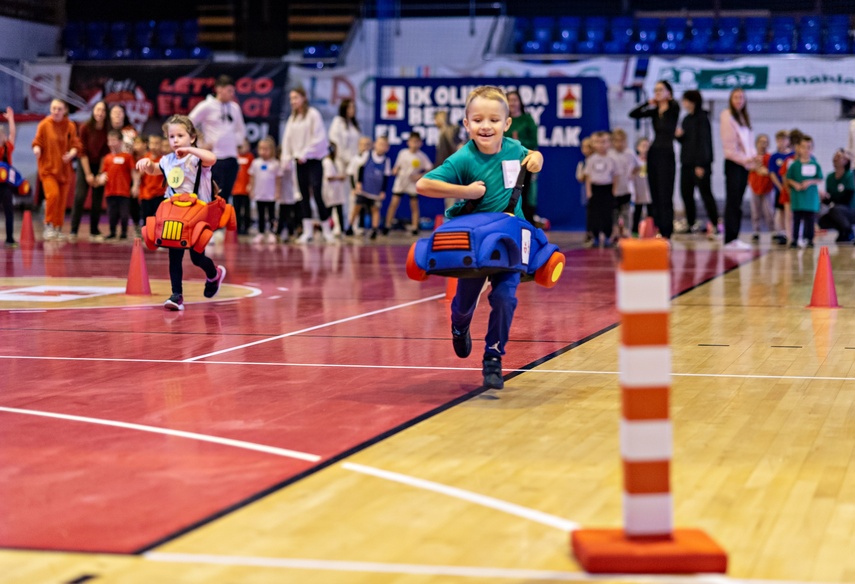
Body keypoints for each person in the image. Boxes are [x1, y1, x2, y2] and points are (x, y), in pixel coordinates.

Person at [416, 85, 543, 390]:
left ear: (507, 123)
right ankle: (459, 327)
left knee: (504, 297)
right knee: (463, 304)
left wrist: (536, 158)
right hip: (473, 246)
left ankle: (493, 356)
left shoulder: (514, 148)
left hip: (509, 242)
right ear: (467, 124)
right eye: (478, 120)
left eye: (494, 120)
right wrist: (466, 192)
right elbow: (423, 184)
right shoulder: (463, 158)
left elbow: (532, 155)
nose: (486, 126)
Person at [135, 115, 226, 311]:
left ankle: (214, 274)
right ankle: (176, 295)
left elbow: (212, 158)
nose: (175, 140)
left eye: (180, 136)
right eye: (171, 136)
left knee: (196, 257)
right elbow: (154, 170)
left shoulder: (197, 158)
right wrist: (147, 164)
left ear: (192, 137)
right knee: (174, 253)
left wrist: (190, 150)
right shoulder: (167, 160)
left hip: (198, 214)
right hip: (175, 214)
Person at [281, 87, 332, 243]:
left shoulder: (313, 115)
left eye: (295, 97)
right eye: (291, 99)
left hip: (314, 160)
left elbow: (319, 138)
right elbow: (287, 140)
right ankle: (307, 231)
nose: (293, 101)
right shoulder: (293, 118)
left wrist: (306, 153)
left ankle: (326, 230)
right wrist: (286, 158)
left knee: (317, 192)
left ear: (303, 97)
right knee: (302, 195)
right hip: (299, 162)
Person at [629, 80, 679, 239]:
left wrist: (665, 100)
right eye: (655, 90)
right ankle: (658, 228)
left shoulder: (673, 108)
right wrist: (646, 103)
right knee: (655, 194)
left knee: (666, 194)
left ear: (669, 93)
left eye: (660, 90)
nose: (657, 92)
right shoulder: (654, 110)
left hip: (667, 154)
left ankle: (667, 231)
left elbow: (674, 106)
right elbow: (633, 114)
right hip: (654, 153)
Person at [189, 75, 247, 204]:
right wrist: (199, 143)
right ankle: (210, 223)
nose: (232, 94)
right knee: (211, 194)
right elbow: (188, 123)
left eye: (233, 91)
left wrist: (239, 142)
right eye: (229, 91)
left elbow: (240, 129)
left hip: (232, 157)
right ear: (219, 89)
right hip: (214, 158)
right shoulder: (206, 106)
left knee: (225, 196)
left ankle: (220, 223)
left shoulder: (234, 108)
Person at [32, 99, 81, 240]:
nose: (56, 111)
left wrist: (72, 153)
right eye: (53, 108)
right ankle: (48, 225)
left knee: (62, 201)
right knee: (52, 196)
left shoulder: (70, 126)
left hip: (64, 170)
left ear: (65, 110)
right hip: (48, 169)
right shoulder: (44, 124)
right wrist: (37, 149)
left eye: (59, 109)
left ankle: (57, 228)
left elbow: (75, 144)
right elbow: (37, 141)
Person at [720, 87, 759, 250]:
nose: (739, 100)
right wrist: (747, 159)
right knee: (733, 202)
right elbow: (730, 148)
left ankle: (734, 237)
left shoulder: (743, 117)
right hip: (735, 164)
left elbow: (748, 143)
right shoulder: (727, 116)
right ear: (731, 99)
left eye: (741, 97)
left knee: (738, 202)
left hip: (744, 165)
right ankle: (730, 238)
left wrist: (754, 157)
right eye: (736, 97)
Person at [675, 89, 717, 237]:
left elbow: (704, 142)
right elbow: (687, 141)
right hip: (686, 162)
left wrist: (701, 164)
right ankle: (691, 222)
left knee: (705, 194)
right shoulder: (686, 119)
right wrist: (679, 136)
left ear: (692, 101)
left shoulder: (702, 118)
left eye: (686, 100)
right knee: (686, 194)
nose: (684, 103)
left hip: (700, 164)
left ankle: (715, 223)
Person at [70, 101, 108, 242]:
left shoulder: (107, 129)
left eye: (103, 110)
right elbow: (82, 152)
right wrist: (88, 175)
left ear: (106, 113)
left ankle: (94, 230)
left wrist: (99, 173)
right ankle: (74, 230)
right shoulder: (85, 127)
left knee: (97, 199)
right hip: (84, 163)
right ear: (93, 111)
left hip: (100, 165)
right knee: (80, 196)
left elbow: (105, 153)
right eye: (98, 110)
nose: (100, 113)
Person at [385, 132, 432, 235]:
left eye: (416, 142)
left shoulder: (422, 156)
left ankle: (415, 227)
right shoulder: (403, 153)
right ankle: (387, 225)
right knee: (393, 203)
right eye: (412, 141)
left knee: (414, 205)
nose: (414, 144)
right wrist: (395, 170)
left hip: (412, 183)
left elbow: (430, 169)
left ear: (420, 143)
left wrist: (419, 176)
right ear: (408, 142)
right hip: (401, 182)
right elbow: (397, 165)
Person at [347, 135, 391, 240]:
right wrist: (358, 183)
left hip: (375, 190)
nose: (381, 147)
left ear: (387, 148)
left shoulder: (386, 160)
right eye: (380, 144)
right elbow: (361, 168)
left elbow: (386, 176)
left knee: (375, 209)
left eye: (384, 145)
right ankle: (350, 227)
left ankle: (374, 229)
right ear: (375, 144)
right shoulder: (368, 155)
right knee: (357, 207)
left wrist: (383, 191)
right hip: (364, 188)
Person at [505, 90, 539, 222]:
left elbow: (534, 142)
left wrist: (519, 142)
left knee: (524, 193)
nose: (512, 103)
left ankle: (526, 222)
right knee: (507, 194)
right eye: (509, 100)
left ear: (520, 102)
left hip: (524, 162)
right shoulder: (502, 119)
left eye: (515, 100)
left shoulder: (527, 119)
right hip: (505, 164)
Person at [328, 98, 361, 230]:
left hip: (354, 164)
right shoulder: (337, 123)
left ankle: (353, 224)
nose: (352, 110)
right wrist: (345, 159)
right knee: (340, 195)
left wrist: (356, 161)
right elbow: (336, 144)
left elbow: (358, 145)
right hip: (341, 163)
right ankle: (338, 225)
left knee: (354, 195)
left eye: (353, 108)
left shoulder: (354, 125)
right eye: (349, 108)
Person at [96, 130, 134, 241]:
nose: (111, 143)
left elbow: (133, 172)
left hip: (124, 191)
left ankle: (123, 233)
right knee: (112, 214)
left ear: (120, 141)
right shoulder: (107, 158)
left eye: (114, 140)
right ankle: (112, 232)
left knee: (124, 214)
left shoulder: (127, 157)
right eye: (110, 140)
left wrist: (135, 185)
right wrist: (101, 177)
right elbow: (103, 172)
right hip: (110, 191)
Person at [786, 134, 823, 249]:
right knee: (796, 219)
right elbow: (788, 178)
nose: (806, 150)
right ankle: (795, 239)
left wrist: (809, 182)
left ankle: (809, 239)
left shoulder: (815, 164)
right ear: (799, 148)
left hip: (810, 198)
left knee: (810, 220)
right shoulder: (794, 165)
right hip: (798, 197)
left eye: (809, 147)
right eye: (803, 147)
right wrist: (795, 184)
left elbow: (820, 178)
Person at [585, 131, 617, 247]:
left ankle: (608, 236)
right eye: (598, 142)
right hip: (595, 189)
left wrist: (614, 190)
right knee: (595, 214)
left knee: (607, 214)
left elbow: (615, 176)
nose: (601, 145)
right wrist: (588, 191)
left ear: (609, 144)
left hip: (607, 189)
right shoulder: (591, 159)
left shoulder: (611, 159)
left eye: (604, 142)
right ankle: (595, 236)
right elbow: (588, 176)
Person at [248, 136, 282, 244]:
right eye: (261, 149)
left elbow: (278, 180)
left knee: (272, 214)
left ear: (271, 150)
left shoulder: (275, 164)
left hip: (271, 194)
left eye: (266, 149)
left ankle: (272, 232)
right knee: (260, 214)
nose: (263, 152)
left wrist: (277, 192)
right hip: (259, 193)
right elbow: (252, 177)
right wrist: (251, 189)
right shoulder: (256, 163)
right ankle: (261, 232)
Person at [818, 149, 855, 242]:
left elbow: (846, 199)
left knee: (835, 210)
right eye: (835, 156)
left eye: (839, 157)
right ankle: (842, 232)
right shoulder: (830, 177)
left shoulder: (849, 176)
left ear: (846, 161)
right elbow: (828, 201)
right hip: (837, 209)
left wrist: (831, 200)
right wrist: (823, 198)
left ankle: (848, 231)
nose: (835, 158)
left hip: (850, 210)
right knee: (822, 220)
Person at [608, 128, 637, 240]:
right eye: (617, 141)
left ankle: (626, 231)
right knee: (614, 212)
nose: (619, 144)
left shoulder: (630, 153)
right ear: (612, 141)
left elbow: (637, 166)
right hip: (614, 188)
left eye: (622, 141)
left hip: (626, 188)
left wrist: (631, 175)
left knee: (626, 211)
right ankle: (614, 232)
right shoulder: (610, 154)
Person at [748, 134, 774, 242]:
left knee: (769, 212)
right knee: (755, 212)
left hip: (767, 188)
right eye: (761, 142)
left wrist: (766, 171)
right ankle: (756, 231)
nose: (763, 145)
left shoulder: (770, 158)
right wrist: (753, 168)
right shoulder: (752, 157)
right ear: (756, 143)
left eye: (765, 142)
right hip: (755, 187)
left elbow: (773, 172)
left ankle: (773, 232)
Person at [434, 110, 462, 210]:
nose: (435, 122)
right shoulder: (444, 132)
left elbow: (448, 152)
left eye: (437, 118)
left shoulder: (448, 131)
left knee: (453, 202)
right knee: (451, 201)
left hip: (454, 171)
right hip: (450, 171)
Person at [768, 130, 792, 245]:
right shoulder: (774, 156)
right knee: (780, 211)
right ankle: (781, 232)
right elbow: (772, 173)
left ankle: (791, 232)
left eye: (784, 139)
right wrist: (780, 186)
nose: (781, 142)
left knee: (790, 212)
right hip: (780, 189)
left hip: (791, 189)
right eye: (779, 140)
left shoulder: (791, 155)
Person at [138, 134, 164, 227]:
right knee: (146, 217)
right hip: (146, 193)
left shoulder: (164, 160)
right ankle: (146, 236)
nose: (154, 146)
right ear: (148, 144)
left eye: (157, 143)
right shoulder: (144, 158)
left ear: (161, 144)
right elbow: (139, 176)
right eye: (152, 143)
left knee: (158, 218)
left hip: (159, 193)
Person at [322, 142, 348, 237]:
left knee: (339, 211)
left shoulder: (334, 162)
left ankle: (341, 230)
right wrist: (339, 177)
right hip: (330, 191)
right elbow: (329, 176)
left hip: (336, 191)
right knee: (329, 211)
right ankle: (327, 229)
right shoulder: (327, 162)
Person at [0, 107, 17, 247]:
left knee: (8, 211)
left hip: (5, 186)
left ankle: (10, 238)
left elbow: (12, 133)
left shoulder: (7, 147)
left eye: (1, 135)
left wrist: (10, 119)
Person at [632, 137, 653, 235]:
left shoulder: (653, 161)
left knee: (651, 212)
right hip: (639, 190)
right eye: (643, 146)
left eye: (647, 146)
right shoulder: (634, 161)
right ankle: (635, 231)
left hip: (649, 190)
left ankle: (651, 231)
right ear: (637, 148)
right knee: (637, 211)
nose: (645, 149)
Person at [232, 139, 254, 236]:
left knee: (246, 209)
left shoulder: (250, 157)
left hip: (246, 189)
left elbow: (252, 173)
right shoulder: (235, 157)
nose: (242, 148)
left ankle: (246, 227)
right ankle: (237, 227)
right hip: (236, 189)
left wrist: (251, 185)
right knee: (236, 209)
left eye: (244, 145)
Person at [576, 137, 593, 246]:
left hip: (597, 190)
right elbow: (579, 177)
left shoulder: (596, 161)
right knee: (589, 212)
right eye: (584, 148)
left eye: (589, 148)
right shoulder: (583, 163)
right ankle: (589, 233)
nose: (586, 150)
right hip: (586, 190)